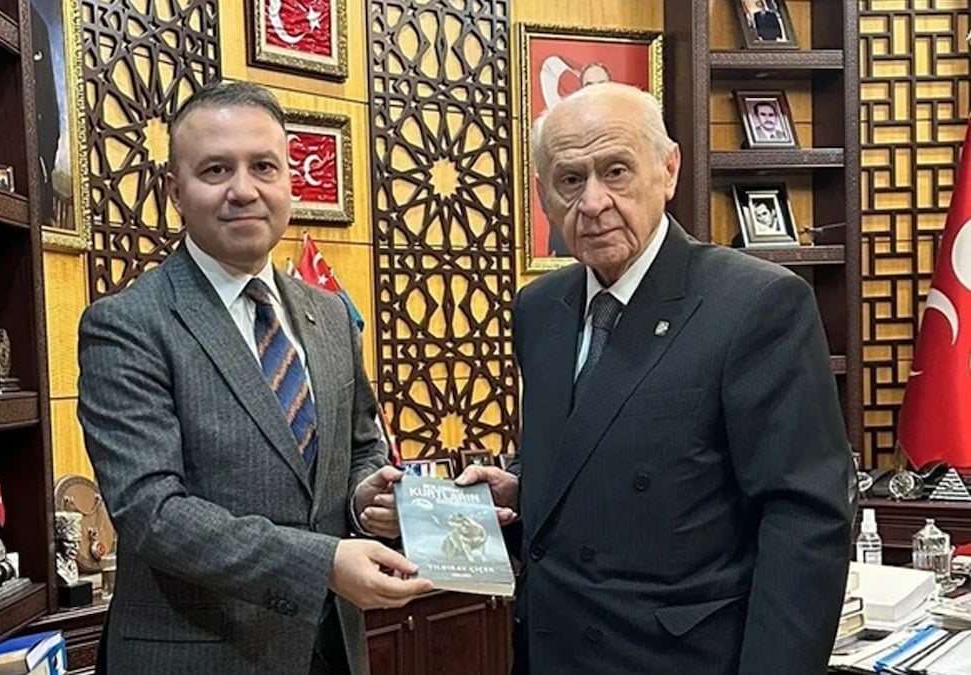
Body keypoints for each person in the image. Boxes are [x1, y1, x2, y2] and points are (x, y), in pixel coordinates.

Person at [458, 83, 852, 674]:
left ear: (668, 171)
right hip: (552, 651)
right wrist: (524, 491)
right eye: (570, 180)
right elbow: (590, 453)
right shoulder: (539, 309)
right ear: (543, 196)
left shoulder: (756, 304)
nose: (592, 202)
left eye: (615, 171)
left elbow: (804, 521)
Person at [78, 81, 433, 675]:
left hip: (331, 649)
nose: (243, 190)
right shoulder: (127, 325)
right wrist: (322, 564)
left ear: (290, 180)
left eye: (264, 167)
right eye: (216, 169)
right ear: (175, 192)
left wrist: (367, 498)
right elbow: (151, 512)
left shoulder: (330, 314)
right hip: (202, 657)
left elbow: (362, 447)